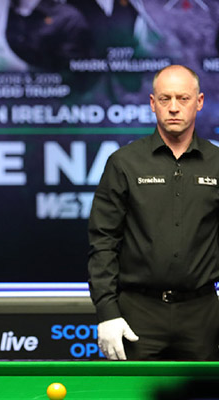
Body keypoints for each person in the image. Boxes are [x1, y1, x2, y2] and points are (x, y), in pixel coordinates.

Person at [88, 64, 219, 361]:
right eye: (165, 98)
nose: (173, 107)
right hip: (137, 314)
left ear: (199, 102)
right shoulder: (124, 162)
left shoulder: (217, 163)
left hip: (203, 314)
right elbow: (103, 242)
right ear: (152, 103)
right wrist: (107, 312)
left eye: (183, 98)